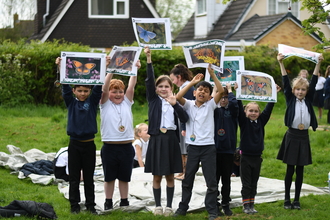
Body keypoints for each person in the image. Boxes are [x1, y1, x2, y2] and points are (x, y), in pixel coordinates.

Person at [174, 64, 224, 220]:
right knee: (188, 179)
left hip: (208, 148)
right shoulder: (188, 105)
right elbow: (177, 98)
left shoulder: (211, 106)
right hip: (193, 147)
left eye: (206, 91)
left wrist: (212, 74)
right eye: (200, 90)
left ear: (210, 96)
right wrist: (192, 82)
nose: (202, 92)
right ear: (195, 93)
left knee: (211, 181)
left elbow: (221, 91)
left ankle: (212, 211)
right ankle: (182, 208)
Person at [55, 56, 104, 214]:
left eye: (85, 91)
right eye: (79, 90)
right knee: (74, 178)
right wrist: (60, 67)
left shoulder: (93, 102)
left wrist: (105, 67)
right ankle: (74, 206)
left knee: (89, 178)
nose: (83, 93)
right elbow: (64, 84)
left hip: (89, 145)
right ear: (74, 91)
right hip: (74, 145)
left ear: (89, 91)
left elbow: (98, 85)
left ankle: (91, 206)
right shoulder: (70, 101)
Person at [144, 47, 189, 216]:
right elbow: (149, 80)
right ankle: (158, 206)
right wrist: (149, 58)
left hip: (171, 140)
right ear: (156, 89)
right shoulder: (153, 101)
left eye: (166, 86)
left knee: (170, 175)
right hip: (156, 139)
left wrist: (175, 104)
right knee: (157, 176)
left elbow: (184, 118)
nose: (163, 89)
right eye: (160, 86)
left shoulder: (175, 101)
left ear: (171, 88)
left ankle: (169, 206)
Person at [276, 53, 323, 210]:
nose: (300, 92)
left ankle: (297, 200)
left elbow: (315, 80)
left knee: (300, 170)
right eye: (298, 89)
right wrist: (281, 62)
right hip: (292, 135)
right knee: (290, 169)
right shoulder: (290, 98)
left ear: (306, 91)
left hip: (304, 136)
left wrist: (318, 63)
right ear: (294, 90)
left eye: (303, 90)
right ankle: (286, 199)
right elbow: (285, 80)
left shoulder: (308, 99)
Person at [100, 59, 140, 211]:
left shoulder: (127, 101)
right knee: (109, 177)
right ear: (109, 93)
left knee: (124, 177)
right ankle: (108, 201)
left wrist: (134, 69)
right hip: (109, 147)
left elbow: (132, 85)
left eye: (120, 91)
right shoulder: (104, 104)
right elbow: (103, 89)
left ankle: (124, 200)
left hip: (126, 147)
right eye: (114, 91)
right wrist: (110, 70)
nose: (118, 94)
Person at [237, 82, 280, 215]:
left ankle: (251, 204)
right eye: (251, 111)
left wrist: (274, 95)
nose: (253, 113)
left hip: (257, 158)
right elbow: (238, 108)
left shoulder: (261, 122)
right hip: (245, 158)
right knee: (246, 183)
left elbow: (268, 109)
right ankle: (246, 205)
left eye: (256, 111)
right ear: (246, 112)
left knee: (254, 183)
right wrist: (238, 95)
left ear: (259, 113)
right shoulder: (243, 122)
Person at [212, 83, 238, 216]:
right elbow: (210, 102)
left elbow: (235, 104)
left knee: (226, 179)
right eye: (221, 97)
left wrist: (229, 90)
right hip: (214, 150)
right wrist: (216, 90)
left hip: (228, 150)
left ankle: (226, 204)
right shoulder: (213, 110)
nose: (223, 100)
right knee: (214, 179)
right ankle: (214, 204)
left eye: (226, 97)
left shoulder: (232, 112)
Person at [169, 64, 195, 180]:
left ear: (179, 77)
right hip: (182, 121)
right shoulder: (184, 87)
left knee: (186, 146)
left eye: (173, 79)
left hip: (187, 121)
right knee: (182, 146)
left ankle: (186, 172)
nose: (173, 82)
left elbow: (186, 109)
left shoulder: (188, 89)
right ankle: (182, 170)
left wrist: (184, 126)